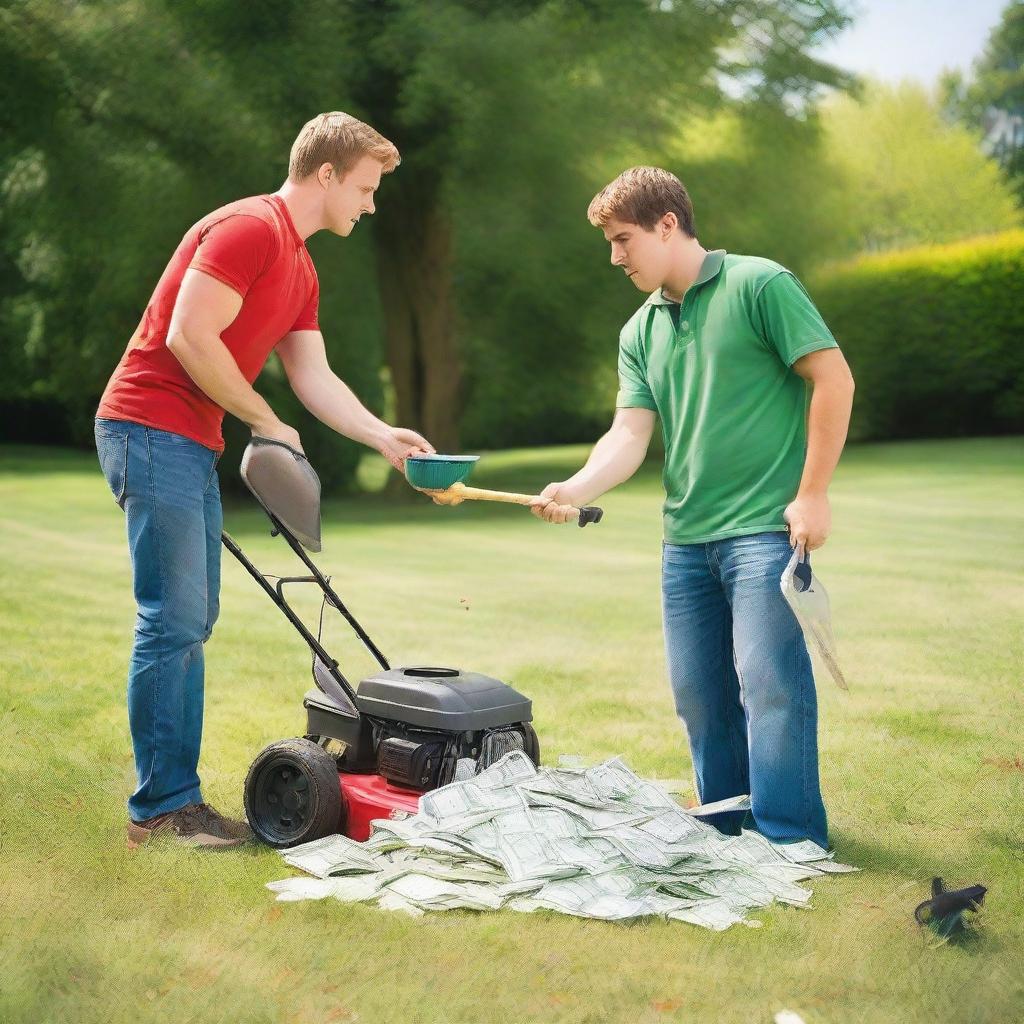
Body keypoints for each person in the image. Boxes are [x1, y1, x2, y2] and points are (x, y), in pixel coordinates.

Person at [95, 112, 433, 850]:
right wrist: (263, 418)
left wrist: (382, 435)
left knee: (191, 620)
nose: (371, 205)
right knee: (172, 619)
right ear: (327, 175)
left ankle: (174, 803)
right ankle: (160, 811)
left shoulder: (301, 265)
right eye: (367, 188)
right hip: (148, 428)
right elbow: (189, 335)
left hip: (188, 440)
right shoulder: (250, 228)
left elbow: (311, 372)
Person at [532, 167, 854, 849]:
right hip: (685, 542)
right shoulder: (639, 330)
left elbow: (832, 377)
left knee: (770, 689)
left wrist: (813, 492)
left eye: (623, 240)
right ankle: (727, 828)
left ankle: (790, 841)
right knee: (700, 698)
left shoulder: (760, 284)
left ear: (668, 224)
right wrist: (576, 488)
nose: (615, 257)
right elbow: (628, 433)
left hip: (765, 531)